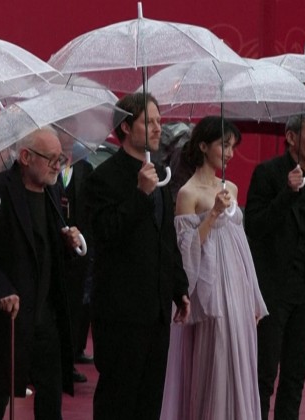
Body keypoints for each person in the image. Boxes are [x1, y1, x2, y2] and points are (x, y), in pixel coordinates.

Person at [0, 127, 84, 420]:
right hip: (9, 318)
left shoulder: (54, 191)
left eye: (60, 158)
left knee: (51, 397)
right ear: (26, 157)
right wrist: (0, 287)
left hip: (47, 317)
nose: (58, 165)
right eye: (51, 158)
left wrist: (69, 242)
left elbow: (51, 248)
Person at [81, 92, 191, 420]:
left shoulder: (158, 172)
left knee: (149, 401)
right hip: (120, 312)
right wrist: (140, 194)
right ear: (126, 127)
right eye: (149, 122)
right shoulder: (103, 177)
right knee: (118, 400)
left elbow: (166, 237)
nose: (158, 128)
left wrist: (179, 287)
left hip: (156, 309)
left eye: (159, 121)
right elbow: (105, 232)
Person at [160, 116, 268, 420]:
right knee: (217, 360)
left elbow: (241, 245)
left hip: (237, 286)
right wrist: (213, 214)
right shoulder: (188, 193)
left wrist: (253, 294)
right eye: (224, 145)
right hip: (210, 289)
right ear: (203, 146)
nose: (230, 153)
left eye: (233, 146)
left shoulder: (230, 187)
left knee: (241, 359)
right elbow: (186, 252)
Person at [244, 112, 305, 420]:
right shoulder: (267, 173)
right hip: (273, 291)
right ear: (292, 137)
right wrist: (287, 194)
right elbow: (254, 227)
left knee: (295, 373)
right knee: (265, 372)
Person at [59, 157, 95, 383]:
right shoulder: (48, 170)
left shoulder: (84, 168)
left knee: (76, 305)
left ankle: (70, 359)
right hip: (56, 248)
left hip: (80, 247)